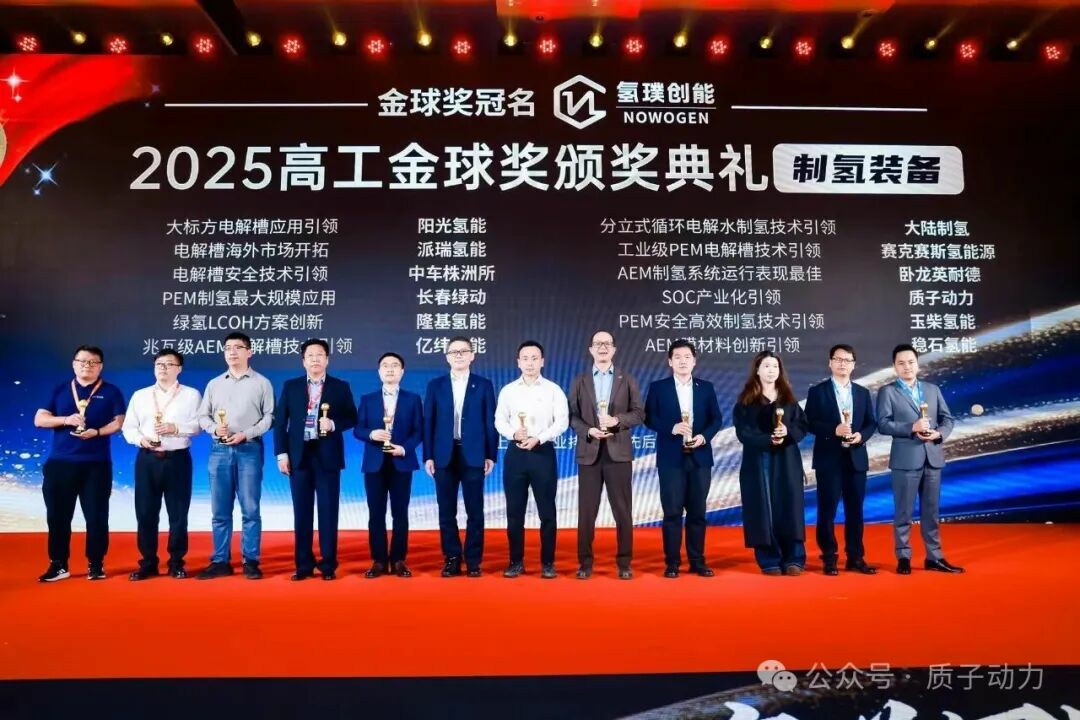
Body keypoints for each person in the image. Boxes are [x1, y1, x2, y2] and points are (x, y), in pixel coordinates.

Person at [34, 345, 126, 582]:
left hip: (96, 464)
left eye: (93, 362)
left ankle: (96, 564)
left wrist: (97, 432)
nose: (87, 365)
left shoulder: (111, 391)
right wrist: (66, 419)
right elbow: (40, 419)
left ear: (100, 366)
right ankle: (58, 564)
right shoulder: (60, 389)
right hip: (60, 463)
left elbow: (119, 422)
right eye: (82, 361)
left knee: (96, 516)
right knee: (58, 516)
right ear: (74, 364)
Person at [273, 339, 357, 581]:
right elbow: (280, 422)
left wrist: (333, 424)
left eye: (320, 355)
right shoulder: (291, 386)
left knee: (329, 512)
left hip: (327, 456)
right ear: (303, 361)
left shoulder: (340, 386)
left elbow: (352, 417)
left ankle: (328, 564)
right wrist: (282, 454)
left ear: (327, 360)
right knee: (302, 512)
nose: (315, 359)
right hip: (299, 456)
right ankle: (303, 565)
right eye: (310, 355)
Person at [876, 344, 962, 575]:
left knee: (931, 512)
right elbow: (883, 424)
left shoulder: (932, 389)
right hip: (905, 460)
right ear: (894, 366)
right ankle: (903, 556)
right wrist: (911, 427)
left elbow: (948, 419)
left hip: (932, 457)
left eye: (911, 362)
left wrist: (939, 434)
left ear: (917, 364)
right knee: (903, 512)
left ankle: (935, 557)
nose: (907, 367)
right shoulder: (888, 392)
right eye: (901, 363)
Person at [196, 332, 274, 580]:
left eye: (238, 347)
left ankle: (251, 560)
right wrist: (213, 428)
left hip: (249, 448)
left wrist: (245, 434)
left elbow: (269, 417)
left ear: (249, 352)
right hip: (219, 450)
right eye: (228, 348)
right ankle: (220, 560)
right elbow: (203, 416)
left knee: (250, 509)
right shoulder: (214, 384)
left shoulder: (262, 383)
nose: (232, 352)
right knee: (220, 510)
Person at [567, 330, 644, 580]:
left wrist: (617, 421)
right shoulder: (580, 381)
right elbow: (572, 416)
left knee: (623, 511)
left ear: (614, 349)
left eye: (607, 343)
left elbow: (639, 413)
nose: (602, 347)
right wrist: (588, 430)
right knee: (586, 512)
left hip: (618, 453)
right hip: (589, 453)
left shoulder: (627, 379)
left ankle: (624, 563)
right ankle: (585, 563)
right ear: (591, 349)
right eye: (598, 343)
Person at [643, 340, 723, 578]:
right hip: (671, 459)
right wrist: (671, 428)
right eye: (677, 357)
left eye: (687, 357)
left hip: (700, 457)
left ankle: (697, 561)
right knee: (672, 512)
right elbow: (649, 418)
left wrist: (703, 437)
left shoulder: (705, 387)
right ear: (670, 362)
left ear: (694, 361)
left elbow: (716, 419)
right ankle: (672, 563)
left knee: (698, 513)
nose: (682, 361)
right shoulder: (659, 387)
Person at [121, 348, 201, 580]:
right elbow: (128, 427)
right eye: (159, 364)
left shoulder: (191, 395)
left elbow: (199, 426)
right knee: (145, 512)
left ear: (179, 369)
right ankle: (148, 562)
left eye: (168, 364)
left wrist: (175, 428)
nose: (163, 368)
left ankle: (176, 562)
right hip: (147, 459)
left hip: (177, 459)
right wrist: (141, 440)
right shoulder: (141, 395)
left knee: (178, 514)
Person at [422, 336, 498, 578]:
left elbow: (490, 421)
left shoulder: (483, 385)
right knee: (446, 510)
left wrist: (491, 454)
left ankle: (473, 560)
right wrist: (428, 455)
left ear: (472, 355)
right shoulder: (436, 385)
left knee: (475, 510)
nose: (458, 355)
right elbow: (428, 422)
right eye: (454, 352)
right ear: (447, 357)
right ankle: (452, 558)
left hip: (473, 454)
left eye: (463, 351)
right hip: (443, 454)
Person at [494, 341, 569, 579]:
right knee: (514, 512)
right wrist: (513, 433)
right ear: (518, 362)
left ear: (542, 361)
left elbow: (562, 421)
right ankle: (516, 562)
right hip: (515, 454)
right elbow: (499, 420)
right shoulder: (508, 390)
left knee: (547, 511)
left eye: (534, 358)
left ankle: (548, 563)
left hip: (542, 453)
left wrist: (540, 437)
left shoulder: (553, 390)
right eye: (525, 358)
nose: (530, 363)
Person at [733, 351, 809, 576]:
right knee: (763, 508)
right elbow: (743, 433)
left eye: (775, 366)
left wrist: (787, 432)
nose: (771, 370)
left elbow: (802, 425)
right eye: (766, 366)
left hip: (786, 459)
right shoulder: (746, 401)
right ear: (757, 370)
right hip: (759, 460)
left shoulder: (789, 400)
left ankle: (794, 558)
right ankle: (769, 558)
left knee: (790, 506)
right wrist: (768, 439)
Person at [804, 344, 878, 576]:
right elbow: (808, 423)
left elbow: (871, 422)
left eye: (847, 360)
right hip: (829, 459)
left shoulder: (862, 392)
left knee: (855, 511)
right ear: (830, 363)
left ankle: (855, 557)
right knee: (827, 511)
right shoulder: (818, 391)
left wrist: (861, 436)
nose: (842, 363)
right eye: (838, 359)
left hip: (856, 458)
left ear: (853, 365)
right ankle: (829, 557)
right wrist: (832, 430)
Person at [355, 352, 423, 578]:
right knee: (376, 513)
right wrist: (371, 434)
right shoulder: (368, 399)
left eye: (395, 365)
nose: (390, 369)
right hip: (374, 464)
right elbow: (358, 429)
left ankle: (399, 560)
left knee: (400, 513)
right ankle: (379, 561)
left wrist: (404, 449)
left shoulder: (413, 399)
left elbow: (418, 431)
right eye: (385, 365)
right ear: (379, 372)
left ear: (402, 372)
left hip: (401, 462)